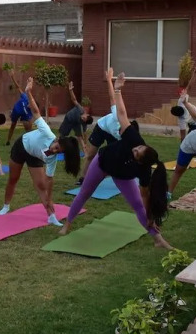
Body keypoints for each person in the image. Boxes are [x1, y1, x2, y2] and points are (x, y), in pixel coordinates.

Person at [60, 68, 173, 249]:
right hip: (102, 162)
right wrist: (118, 88)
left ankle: (158, 239)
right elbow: (121, 113)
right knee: (84, 193)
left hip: (122, 175)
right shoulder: (133, 138)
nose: (135, 149)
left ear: (140, 162)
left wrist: (149, 216)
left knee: (137, 205)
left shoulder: (144, 171)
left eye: (137, 153)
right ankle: (67, 224)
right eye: (139, 148)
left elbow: (144, 196)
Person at [0, 77, 81, 227]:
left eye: (58, 152)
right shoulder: (47, 132)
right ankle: (6, 206)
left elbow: (49, 180)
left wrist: (49, 198)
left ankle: (51, 216)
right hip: (21, 147)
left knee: (41, 185)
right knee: (13, 178)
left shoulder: (52, 159)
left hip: (34, 156)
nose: (54, 151)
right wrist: (29, 92)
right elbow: (35, 111)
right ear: (56, 140)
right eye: (56, 147)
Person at [76, 76, 123, 186]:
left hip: (112, 135)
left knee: (116, 155)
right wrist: (109, 80)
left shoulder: (125, 136)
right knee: (91, 154)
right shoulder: (117, 116)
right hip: (102, 127)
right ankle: (83, 177)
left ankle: (116, 175)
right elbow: (112, 97)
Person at [58, 81, 93, 153]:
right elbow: (74, 100)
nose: (83, 118)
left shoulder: (83, 123)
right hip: (69, 119)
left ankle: (85, 151)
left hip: (76, 123)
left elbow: (84, 133)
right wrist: (70, 90)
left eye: (84, 120)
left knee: (79, 136)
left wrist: (85, 143)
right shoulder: (80, 109)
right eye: (84, 117)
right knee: (63, 135)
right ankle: (57, 145)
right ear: (86, 114)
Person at [170, 61, 196, 141]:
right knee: (190, 140)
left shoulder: (181, 120)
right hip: (193, 119)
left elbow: (182, 136)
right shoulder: (181, 101)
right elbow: (189, 86)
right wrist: (195, 73)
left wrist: (195, 73)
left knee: (192, 139)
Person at [5, 69, 34, 146]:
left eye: (31, 106)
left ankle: (30, 143)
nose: (29, 105)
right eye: (30, 104)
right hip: (16, 111)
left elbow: (31, 121)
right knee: (13, 125)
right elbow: (18, 88)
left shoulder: (29, 113)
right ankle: (8, 140)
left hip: (24, 115)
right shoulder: (25, 97)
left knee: (28, 129)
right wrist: (12, 77)